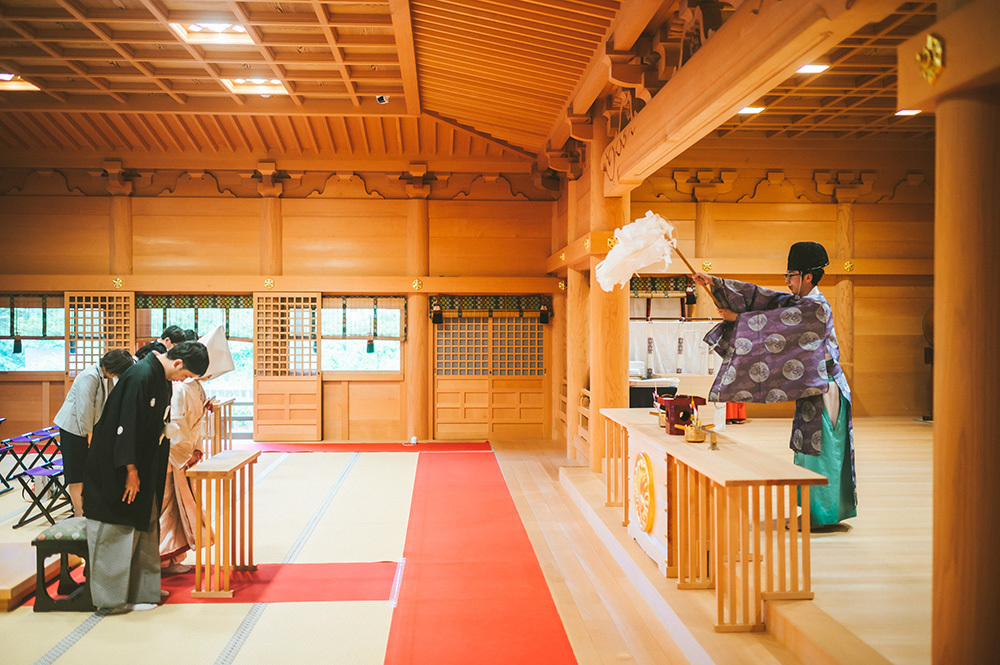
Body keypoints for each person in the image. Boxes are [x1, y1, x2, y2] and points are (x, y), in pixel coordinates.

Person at [693, 241, 857, 529]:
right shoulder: (800, 302)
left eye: (790, 275)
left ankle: (818, 516)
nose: (787, 282)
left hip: (825, 386)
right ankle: (813, 512)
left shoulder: (816, 308)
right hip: (815, 386)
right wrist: (716, 284)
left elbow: (776, 325)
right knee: (807, 450)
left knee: (819, 451)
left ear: (808, 276)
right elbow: (765, 300)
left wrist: (738, 320)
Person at [82, 341, 209, 613]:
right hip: (117, 468)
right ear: (177, 363)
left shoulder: (161, 378)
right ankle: (111, 600)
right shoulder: (141, 375)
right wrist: (130, 471)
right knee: (117, 531)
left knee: (146, 526)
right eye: (186, 375)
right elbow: (123, 426)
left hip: (145, 464)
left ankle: (141, 591)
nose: (184, 380)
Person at [160, 326, 234, 573]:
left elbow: (195, 419)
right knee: (169, 508)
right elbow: (176, 424)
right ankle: (162, 558)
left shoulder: (193, 385)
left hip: (186, 452)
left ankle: (173, 557)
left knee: (180, 509)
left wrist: (196, 449)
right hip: (175, 455)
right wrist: (187, 453)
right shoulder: (180, 386)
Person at [53, 349, 135, 517]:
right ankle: (79, 513)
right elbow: (85, 409)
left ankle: (89, 509)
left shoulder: (105, 376)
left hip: (88, 428)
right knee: (76, 473)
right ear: (114, 368)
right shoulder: (89, 376)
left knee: (89, 470)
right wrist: (90, 434)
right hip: (74, 429)